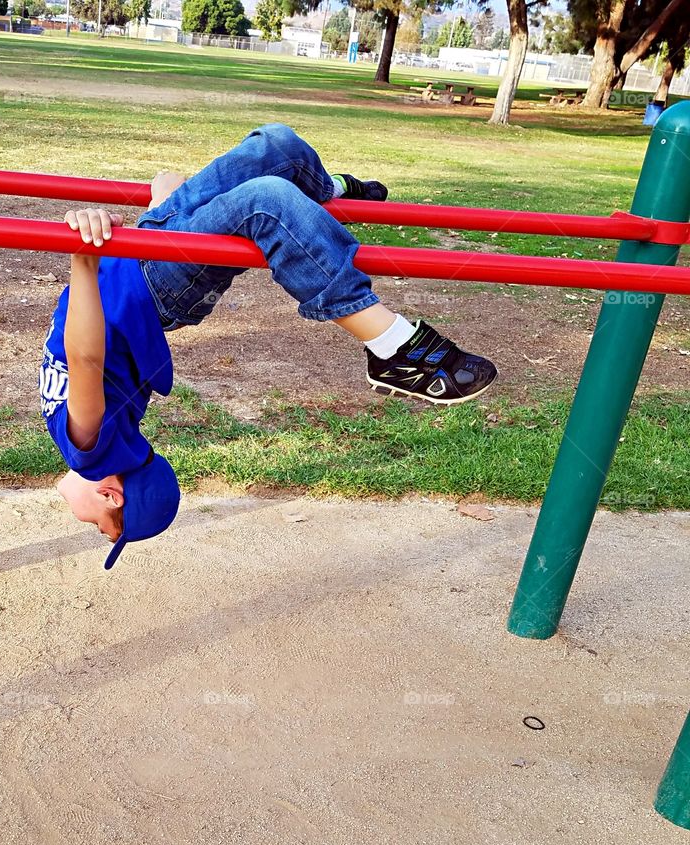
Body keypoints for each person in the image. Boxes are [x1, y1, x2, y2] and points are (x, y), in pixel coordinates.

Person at [41, 124, 497, 568]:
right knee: (267, 204)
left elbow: (94, 357)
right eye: (101, 526)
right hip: (153, 283)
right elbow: (85, 356)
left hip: (141, 250)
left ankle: (329, 194)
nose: (89, 524)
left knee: (276, 145)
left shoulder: (99, 445)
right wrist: (83, 260)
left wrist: (159, 209)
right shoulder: (92, 450)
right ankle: (393, 347)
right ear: (109, 494)